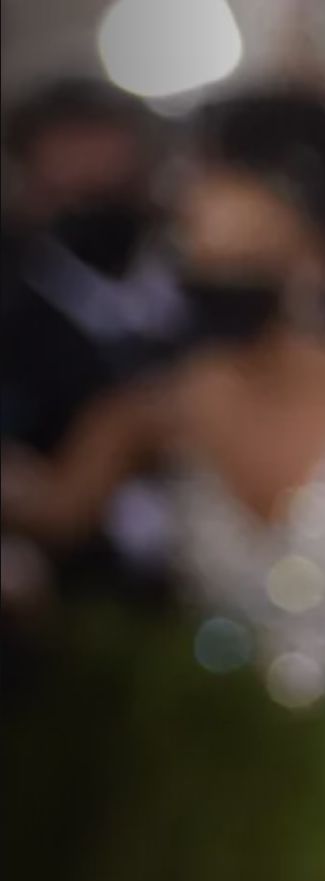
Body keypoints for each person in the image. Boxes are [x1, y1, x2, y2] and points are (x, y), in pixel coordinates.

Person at [2, 88, 325, 707]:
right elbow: (57, 506)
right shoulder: (159, 406)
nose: (189, 211)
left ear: (296, 216)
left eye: (214, 182)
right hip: (207, 760)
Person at [0, 78, 180, 592]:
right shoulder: (14, 304)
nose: (94, 202)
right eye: (72, 191)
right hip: (70, 588)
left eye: (111, 187)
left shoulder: (200, 284)